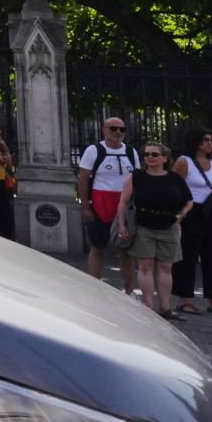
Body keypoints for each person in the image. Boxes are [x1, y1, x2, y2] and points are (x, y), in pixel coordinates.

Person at [116, 143, 194, 320]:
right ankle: (149, 305)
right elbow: (122, 202)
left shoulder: (175, 178)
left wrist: (181, 214)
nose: (150, 157)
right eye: (147, 154)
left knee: (166, 268)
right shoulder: (136, 177)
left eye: (155, 154)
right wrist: (122, 225)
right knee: (145, 267)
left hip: (170, 226)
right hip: (144, 225)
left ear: (165, 158)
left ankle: (165, 307)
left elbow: (189, 201)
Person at [169, 129, 212, 317]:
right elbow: (175, 185)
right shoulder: (184, 161)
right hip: (193, 211)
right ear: (196, 141)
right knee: (188, 256)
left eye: (211, 140)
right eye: (205, 140)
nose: (209, 143)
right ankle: (184, 300)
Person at [76, 118, 141, 292]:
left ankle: (129, 291)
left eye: (122, 129)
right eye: (113, 128)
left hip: (125, 204)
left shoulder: (131, 152)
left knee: (126, 250)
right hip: (100, 203)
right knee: (97, 246)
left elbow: (137, 178)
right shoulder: (94, 150)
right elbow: (82, 179)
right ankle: (94, 287)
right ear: (103, 130)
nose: (118, 132)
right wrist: (85, 206)